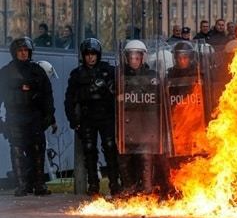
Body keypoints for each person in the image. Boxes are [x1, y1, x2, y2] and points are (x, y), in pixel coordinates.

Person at [0, 37, 57, 196]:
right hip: (15, 117)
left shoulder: (37, 71)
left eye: (26, 51)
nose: (24, 54)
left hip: (35, 116)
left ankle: (39, 184)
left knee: (38, 149)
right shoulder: (6, 72)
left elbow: (47, 95)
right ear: (14, 53)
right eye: (20, 51)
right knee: (17, 150)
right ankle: (22, 185)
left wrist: (50, 116)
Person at [64, 38, 121, 196]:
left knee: (110, 147)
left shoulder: (108, 70)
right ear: (83, 56)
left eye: (93, 54)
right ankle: (93, 184)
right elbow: (69, 98)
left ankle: (114, 183)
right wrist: (73, 120)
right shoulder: (77, 74)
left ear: (98, 55)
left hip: (106, 115)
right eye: (88, 54)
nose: (91, 57)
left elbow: (120, 89)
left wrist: (109, 87)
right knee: (89, 149)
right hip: (87, 116)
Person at [117, 40, 161, 195]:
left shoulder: (152, 76)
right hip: (127, 124)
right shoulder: (120, 76)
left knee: (146, 157)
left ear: (143, 58)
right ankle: (129, 187)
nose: (134, 61)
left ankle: (148, 189)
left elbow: (159, 99)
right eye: (131, 58)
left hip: (146, 125)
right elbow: (115, 98)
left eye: (137, 57)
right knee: (124, 157)